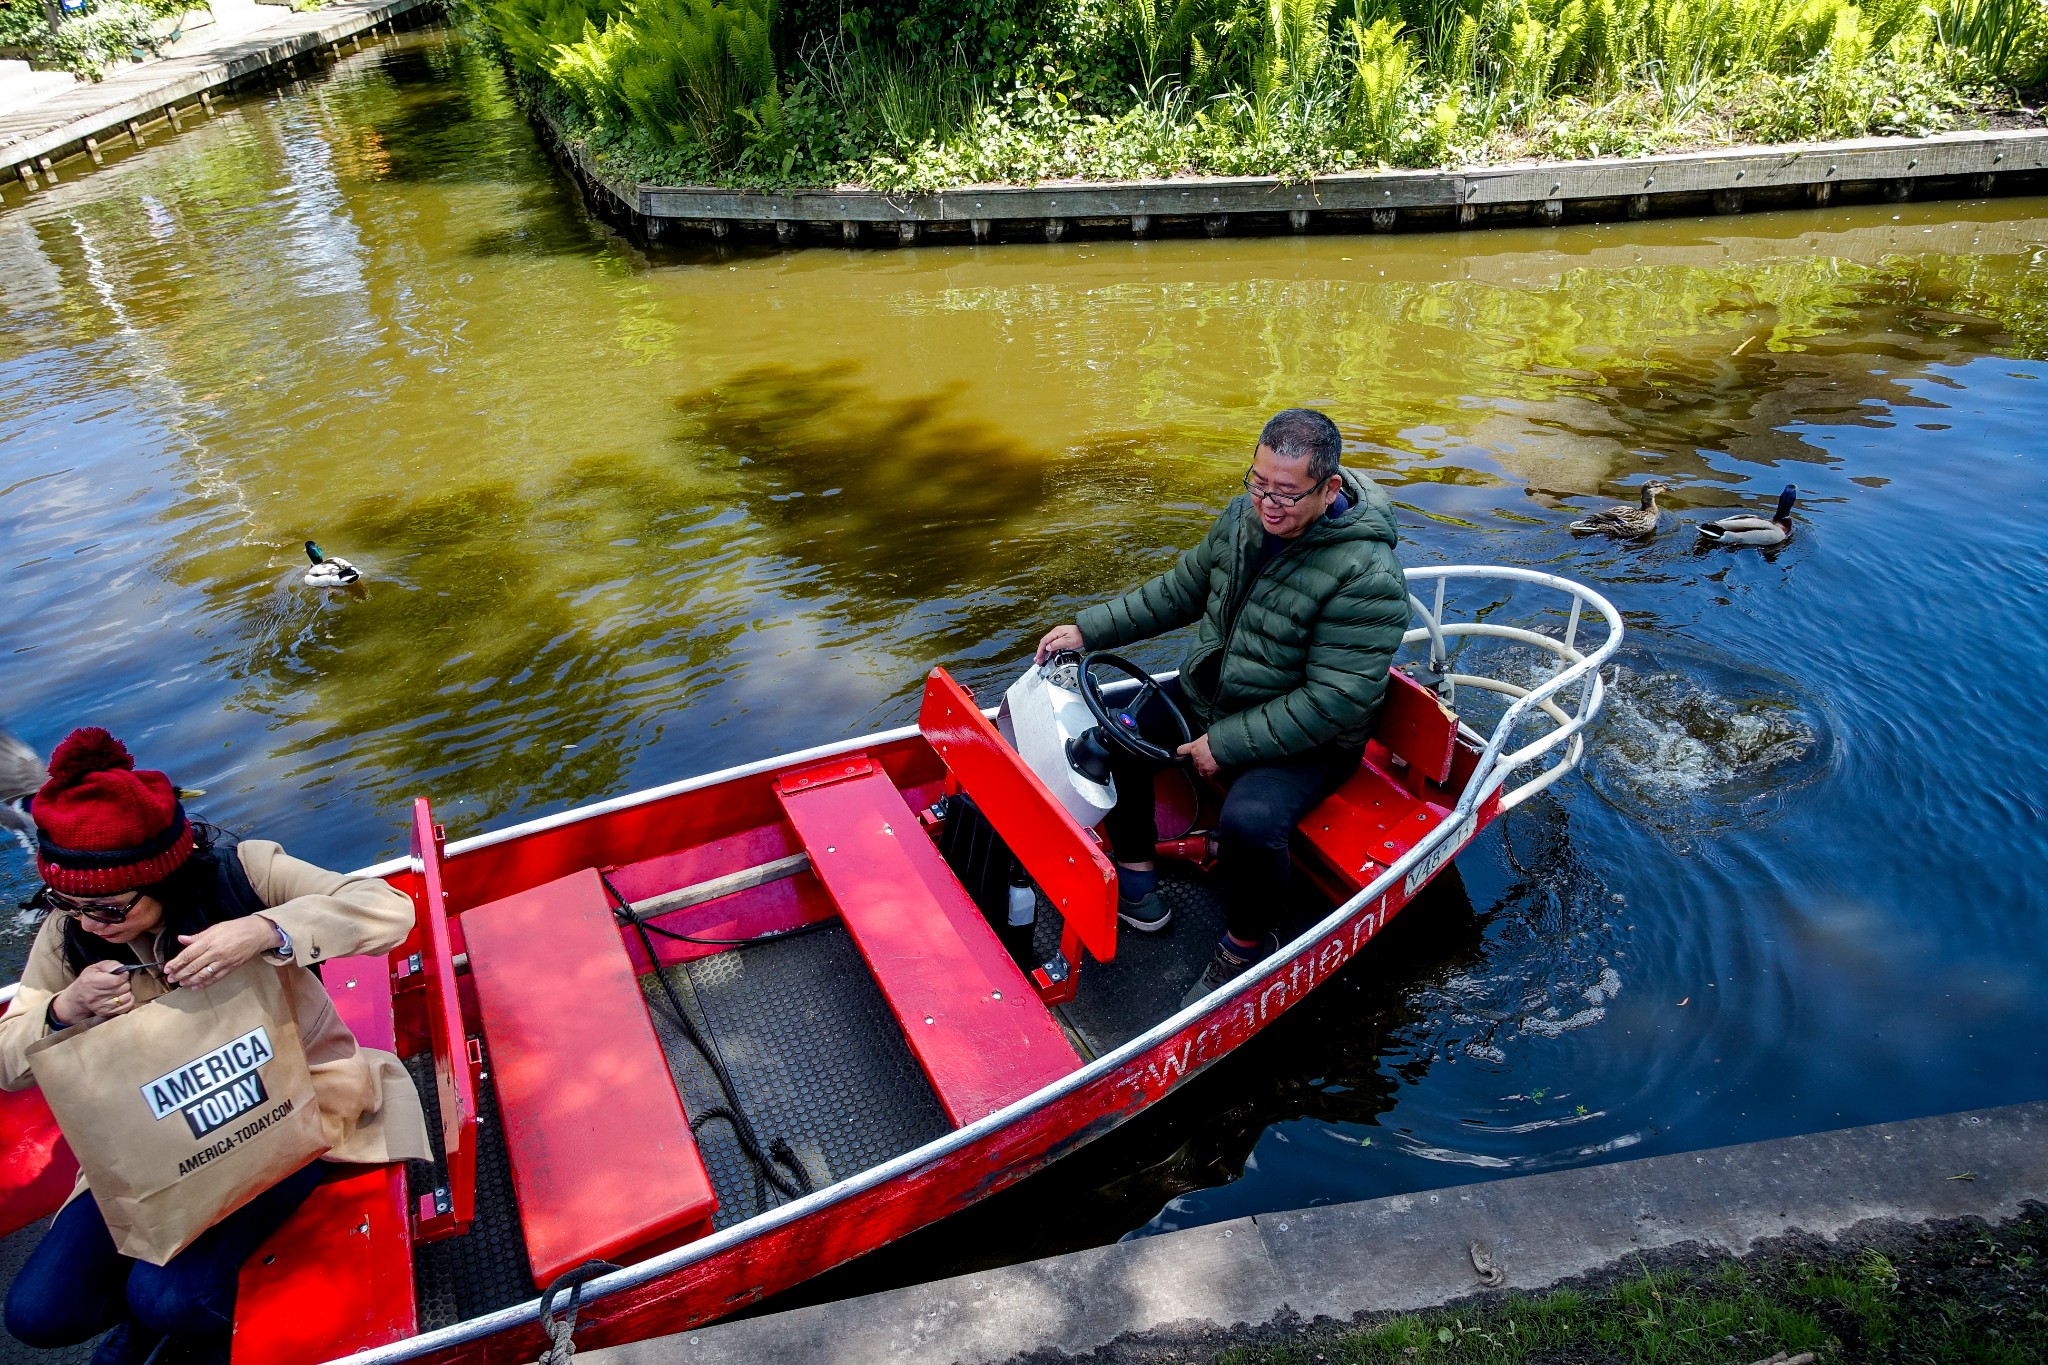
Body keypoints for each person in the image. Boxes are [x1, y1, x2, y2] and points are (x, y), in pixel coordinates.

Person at [0, 728, 431, 1365]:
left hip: (292, 1112)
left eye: (110, 908)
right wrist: (64, 1010)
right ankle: (167, 1325)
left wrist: (263, 931)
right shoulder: (71, 930)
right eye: (66, 901)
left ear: (163, 876)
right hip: (159, 1142)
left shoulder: (243, 872)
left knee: (166, 1296)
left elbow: (387, 909)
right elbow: (9, 1061)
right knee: (37, 1315)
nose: (89, 922)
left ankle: (187, 1332)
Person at [1036, 409, 1409, 1001]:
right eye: (1258, 484)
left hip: (1310, 741)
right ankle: (1134, 876)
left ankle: (1246, 946)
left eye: (1286, 493)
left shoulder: (1368, 577)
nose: (1268, 504)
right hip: (1216, 696)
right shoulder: (1244, 518)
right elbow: (1180, 590)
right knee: (1118, 732)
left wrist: (1226, 744)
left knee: (1251, 822)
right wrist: (1089, 630)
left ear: (1329, 488)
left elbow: (1335, 700)